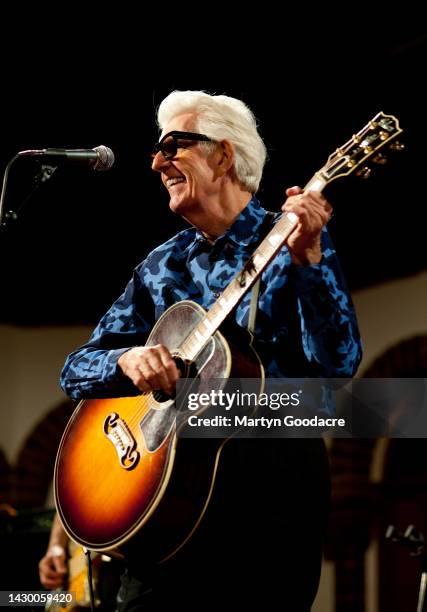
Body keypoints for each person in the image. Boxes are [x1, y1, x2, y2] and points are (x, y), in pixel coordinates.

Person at [60, 90, 362, 610]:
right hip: (160, 504)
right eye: (158, 150)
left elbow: (337, 364)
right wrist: (126, 360)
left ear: (222, 155)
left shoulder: (295, 240)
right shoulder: (162, 266)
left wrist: (309, 256)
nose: (157, 162)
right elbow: (76, 370)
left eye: (174, 146)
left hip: (270, 497)